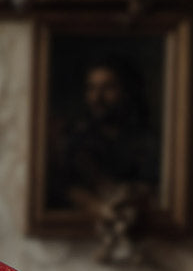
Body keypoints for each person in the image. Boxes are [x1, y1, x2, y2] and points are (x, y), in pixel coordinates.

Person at [49, 53, 160, 210]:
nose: (97, 97)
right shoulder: (73, 138)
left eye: (108, 88)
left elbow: (153, 192)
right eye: (91, 88)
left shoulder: (147, 141)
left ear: (127, 92)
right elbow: (63, 189)